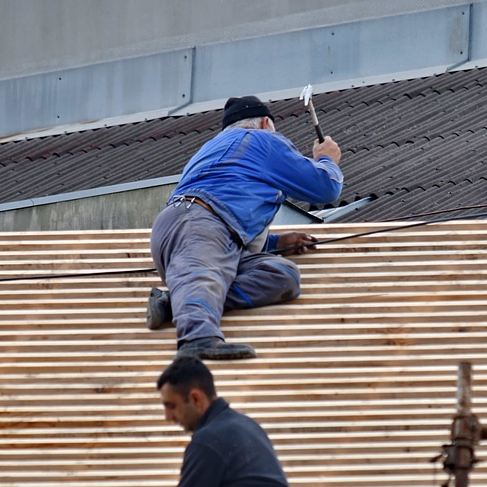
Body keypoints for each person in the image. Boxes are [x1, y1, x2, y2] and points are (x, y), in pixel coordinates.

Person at [146, 94, 343, 360]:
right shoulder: (263, 140)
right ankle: (197, 337)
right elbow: (325, 187)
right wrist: (326, 160)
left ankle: (173, 304)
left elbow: (232, 216)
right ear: (265, 123)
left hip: (191, 229)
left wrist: (276, 243)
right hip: (201, 225)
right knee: (203, 277)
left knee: (283, 275)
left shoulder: (209, 149)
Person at [132, 357, 308, 487]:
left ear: (196, 398)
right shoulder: (246, 424)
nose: (168, 417)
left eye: (171, 406)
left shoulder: (209, 439)